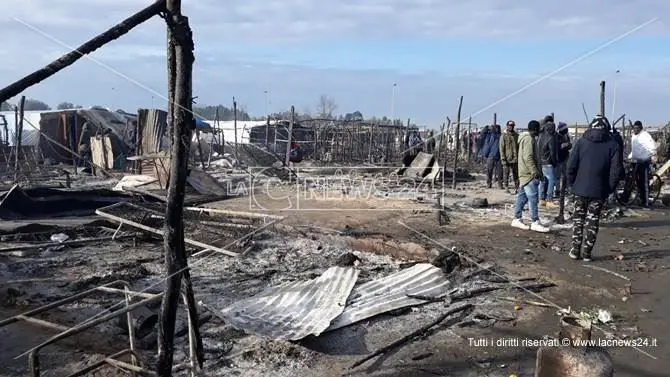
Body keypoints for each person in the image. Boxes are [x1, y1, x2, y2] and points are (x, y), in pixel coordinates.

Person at [567, 116, 623, 261]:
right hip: (599, 190)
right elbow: (616, 170)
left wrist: (571, 183)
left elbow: (571, 166)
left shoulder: (581, 142)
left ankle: (575, 250)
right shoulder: (613, 145)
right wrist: (609, 188)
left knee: (578, 219)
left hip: (580, 188)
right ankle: (587, 253)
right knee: (593, 220)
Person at [511, 120, 549, 232]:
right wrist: (534, 172)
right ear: (535, 129)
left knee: (522, 197)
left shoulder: (526, 138)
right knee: (533, 198)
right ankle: (534, 221)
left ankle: (517, 219)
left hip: (524, 173)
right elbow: (528, 157)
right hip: (528, 174)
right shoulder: (528, 140)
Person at [628, 120, 657, 207]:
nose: (635, 130)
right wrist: (630, 157)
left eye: (637, 128)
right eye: (634, 128)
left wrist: (651, 155)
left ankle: (646, 202)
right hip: (635, 161)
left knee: (644, 182)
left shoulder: (645, 136)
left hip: (643, 162)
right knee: (636, 182)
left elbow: (652, 147)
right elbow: (635, 150)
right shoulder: (634, 136)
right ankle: (641, 199)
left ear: (641, 128)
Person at [537, 119, 559, 208]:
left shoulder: (540, 136)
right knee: (551, 181)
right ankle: (549, 199)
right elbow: (552, 152)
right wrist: (554, 162)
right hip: (548, 162)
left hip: (540, 162)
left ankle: (541, 199)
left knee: (543, 181)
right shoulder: (551, 137)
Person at [500, 120, 519, 192]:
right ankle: (506, 187)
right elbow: (501, 148)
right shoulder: (504, 136)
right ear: (507, 126)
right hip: (507, 158)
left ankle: (517, 187)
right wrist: (503, 158)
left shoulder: (516, 135)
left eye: (512, 126)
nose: (511, 127)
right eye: (510, 125)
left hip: (515, 158)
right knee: (506, 173)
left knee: (516, 174)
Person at [554, 122, 572, 196]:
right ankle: (557, 190)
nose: (566, 130)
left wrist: (569, 145)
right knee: (557, 176)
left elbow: (568, 144)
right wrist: (563, 145)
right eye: (565, 129)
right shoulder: (557, 136)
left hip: (565, 157)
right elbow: (556, 147)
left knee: (566, 175)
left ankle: (566, 189)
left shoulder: (566, 136)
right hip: (559, 158)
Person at [482, 124, 503, 188]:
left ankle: (499, 184)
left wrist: (485, 154)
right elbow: (483, 134)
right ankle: (491, 183)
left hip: (497, 156)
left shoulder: (500, 137)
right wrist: (486, 127)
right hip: (492, 156)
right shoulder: (490, 136)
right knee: (490, 171)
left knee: (499, 171)